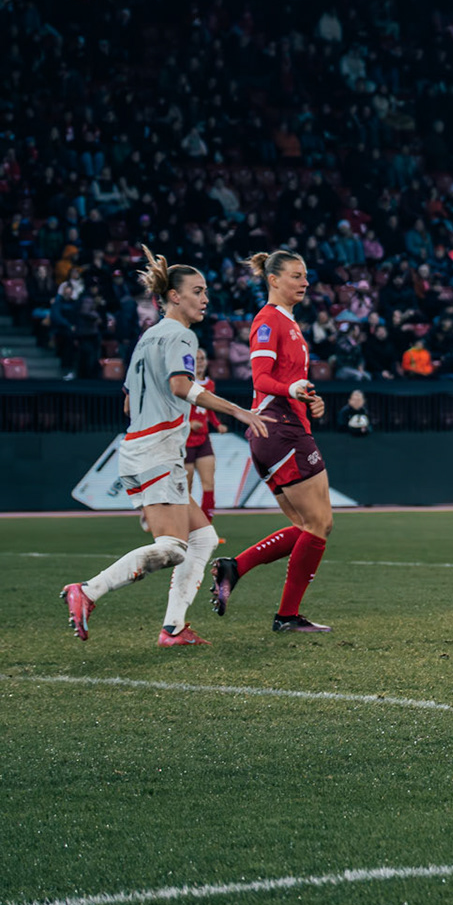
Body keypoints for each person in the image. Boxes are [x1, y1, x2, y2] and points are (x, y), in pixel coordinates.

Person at [62, 247, 269, 644]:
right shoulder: (180, 335)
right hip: (157, 452)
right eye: (197, 290)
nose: (205, 297)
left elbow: (127, 402)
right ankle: (87, 591)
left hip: (140, 447)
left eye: (205, 290)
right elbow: (181, 385)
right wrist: (238, 411)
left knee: (203, 538)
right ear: (174, 296)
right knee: (173, 548)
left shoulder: (147, 338)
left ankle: (173, 628)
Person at [208, 250, 336, 633]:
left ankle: (236, 567)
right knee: (320, 523)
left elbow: (286, 383)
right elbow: (261, 379)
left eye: (306, 275)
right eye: (296, 275)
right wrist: (291, 389)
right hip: (280, 431)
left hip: (277, 431)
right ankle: (286, 616)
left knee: (305, 526)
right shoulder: (268, 320)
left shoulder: (290, 324)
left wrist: (309, 398)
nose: (305, 282)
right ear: (273, 279)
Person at [183, 351, 224, 536]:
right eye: (196, 359)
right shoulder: (183, 384)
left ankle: (206, 529)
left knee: (209, 483)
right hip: (186, 441)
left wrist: (217, 424)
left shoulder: (210, 384)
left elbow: (210, 408)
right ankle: (185, 527)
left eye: (202, 359)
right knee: (187, 486)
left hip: (203, 439)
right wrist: (188, 424)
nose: (200, 362)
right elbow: (175, 410)